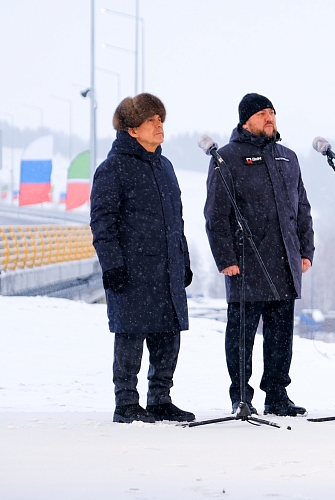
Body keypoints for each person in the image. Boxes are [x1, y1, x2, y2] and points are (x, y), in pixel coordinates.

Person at [204, 93, 314, 417]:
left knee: (281, 338)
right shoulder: (226, 158)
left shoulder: (289, 158)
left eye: (273, 113)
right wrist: (225, 258)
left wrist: (305, 250)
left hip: (284, 263)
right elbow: (215, 214)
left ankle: (277, 395)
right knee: (241, 339)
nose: (270, 118)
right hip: (246, 265)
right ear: (245, 121)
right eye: (263, 113)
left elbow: (302, 208)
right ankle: (241, 397)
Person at [91, 93, 195, 423]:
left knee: (168, 336)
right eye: (151, 120)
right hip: (132, 270)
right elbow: (102, 222)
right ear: (132, 129)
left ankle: (160, 398)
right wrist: (113, 266)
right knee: (131, 335)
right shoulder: (112, 168)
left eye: (160, 119)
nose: (159, 125)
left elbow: (176, 220)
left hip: (167, 268)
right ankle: (126, 403)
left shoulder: (165, 167)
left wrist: (185, 259)